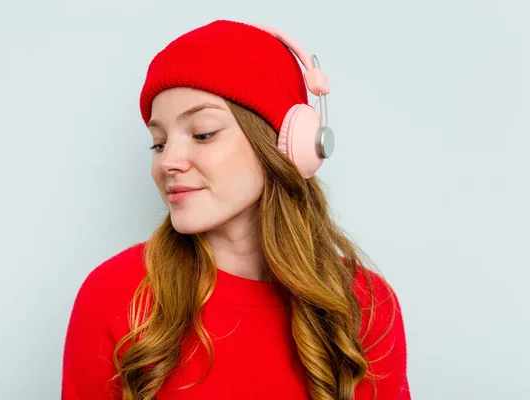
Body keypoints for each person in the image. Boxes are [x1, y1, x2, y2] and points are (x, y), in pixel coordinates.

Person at [61, 19, 411, 400]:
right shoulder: (115, 295)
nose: (168, 162)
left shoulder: (364, 305)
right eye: (158, 143)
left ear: (283, 144)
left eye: (203, 133)